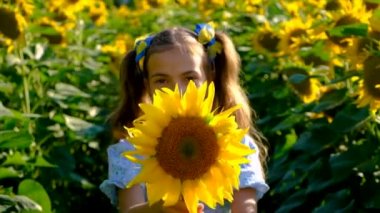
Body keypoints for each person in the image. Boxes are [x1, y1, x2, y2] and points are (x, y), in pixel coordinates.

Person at [100, 23, 270, 213]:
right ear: (147, 85)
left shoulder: (237, 147)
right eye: (162, 80)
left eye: (190, 78)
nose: (177, 91)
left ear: (210, 77)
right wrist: (158, 209)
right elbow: (129, 208)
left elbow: (246, 209)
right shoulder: (132, 149)